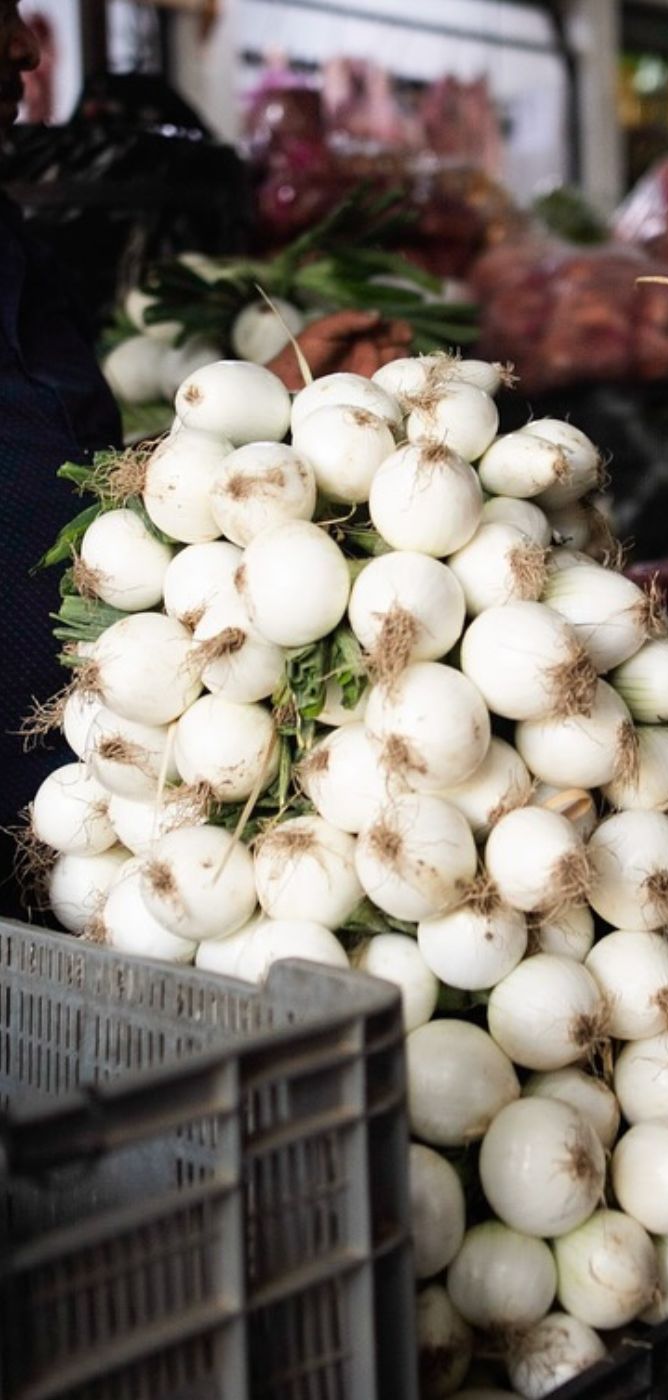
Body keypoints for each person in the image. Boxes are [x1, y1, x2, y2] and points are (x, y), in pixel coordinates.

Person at [1, 0, 407, 920]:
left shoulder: (18, 245)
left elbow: (70, 481)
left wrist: (261, 406)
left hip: (112, 817)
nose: (26, 46)